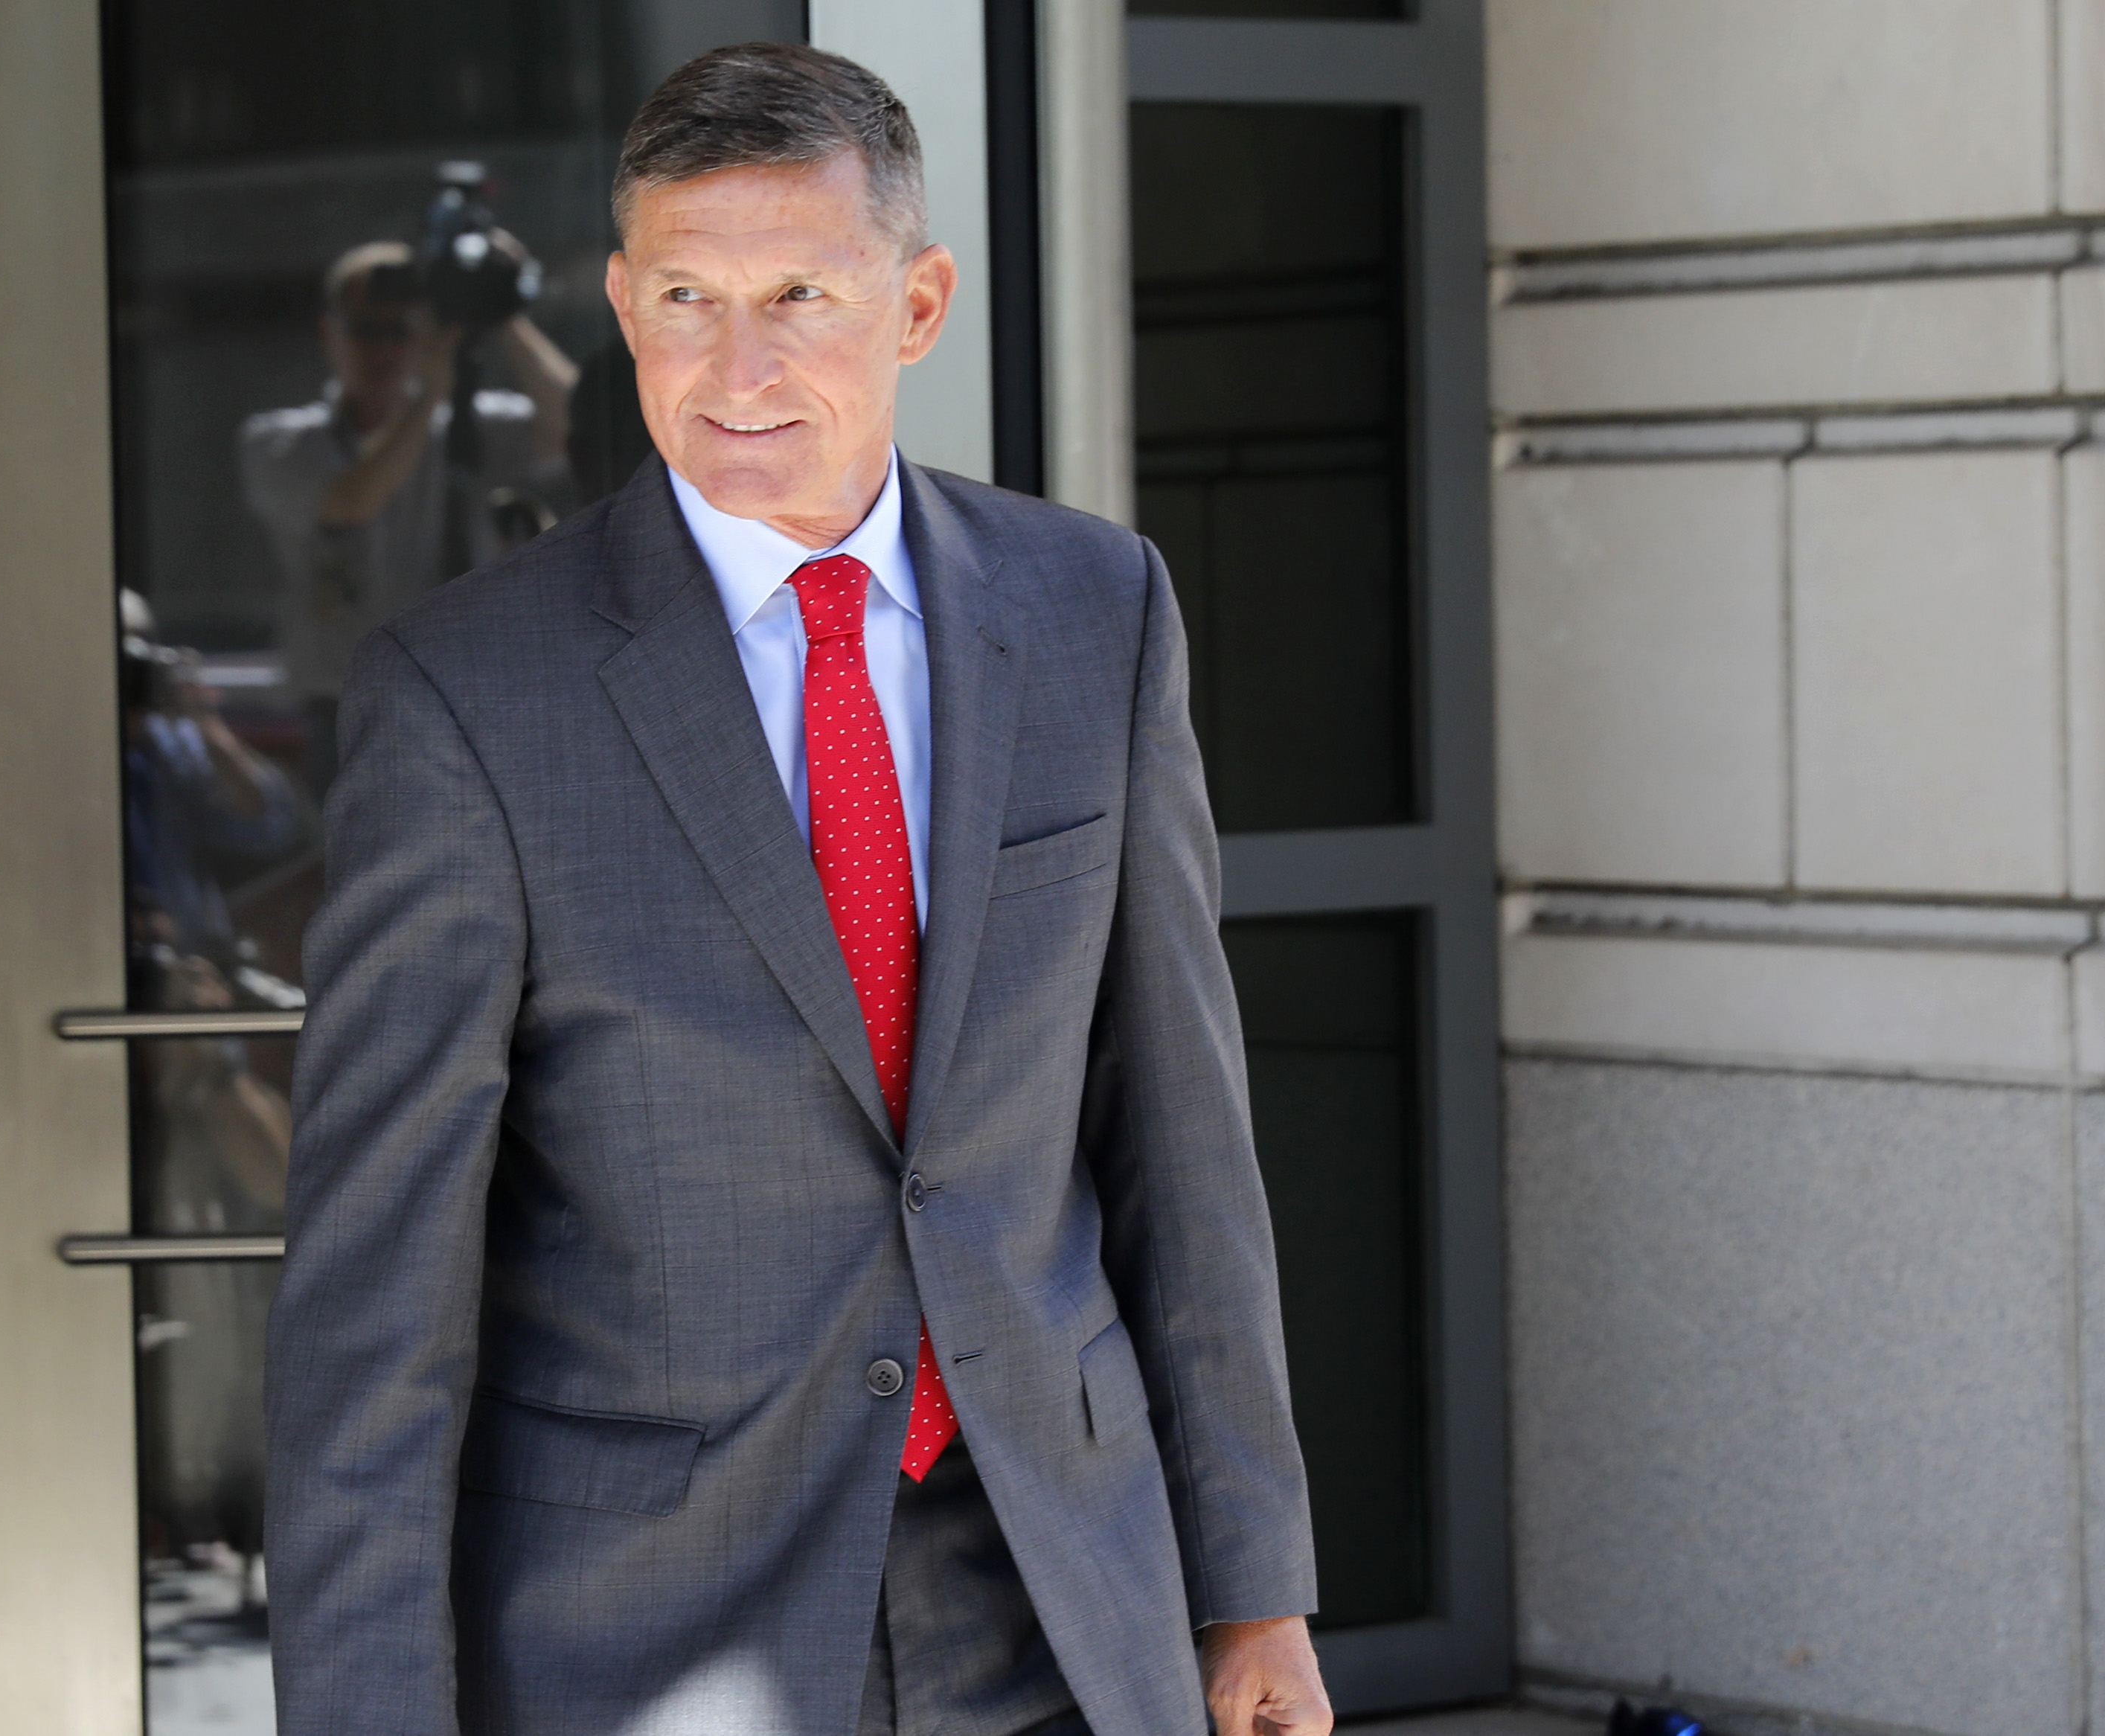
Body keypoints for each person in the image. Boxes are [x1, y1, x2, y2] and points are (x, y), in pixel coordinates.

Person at [266, 42, 1330, 1736]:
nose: (736, 365)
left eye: (800, 296)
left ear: (917, 305)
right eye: (686, 295)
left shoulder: (1093, 611)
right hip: (656, 1636)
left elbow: (1181, 1147)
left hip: (1060, 1598)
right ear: (620, 302)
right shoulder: (470, 694)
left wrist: (1253, 1587)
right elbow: (375, 1301)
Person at [237, 240, 579, 789]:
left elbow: (578, 428)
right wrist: (429, 395)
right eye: (367, 332)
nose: (386, 350)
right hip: (344, 716)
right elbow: (352, 500)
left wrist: (503, 314)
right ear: (331, 334)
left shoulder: (467, 426)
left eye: (403, 332)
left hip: (462, 709)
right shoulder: (281, 441)